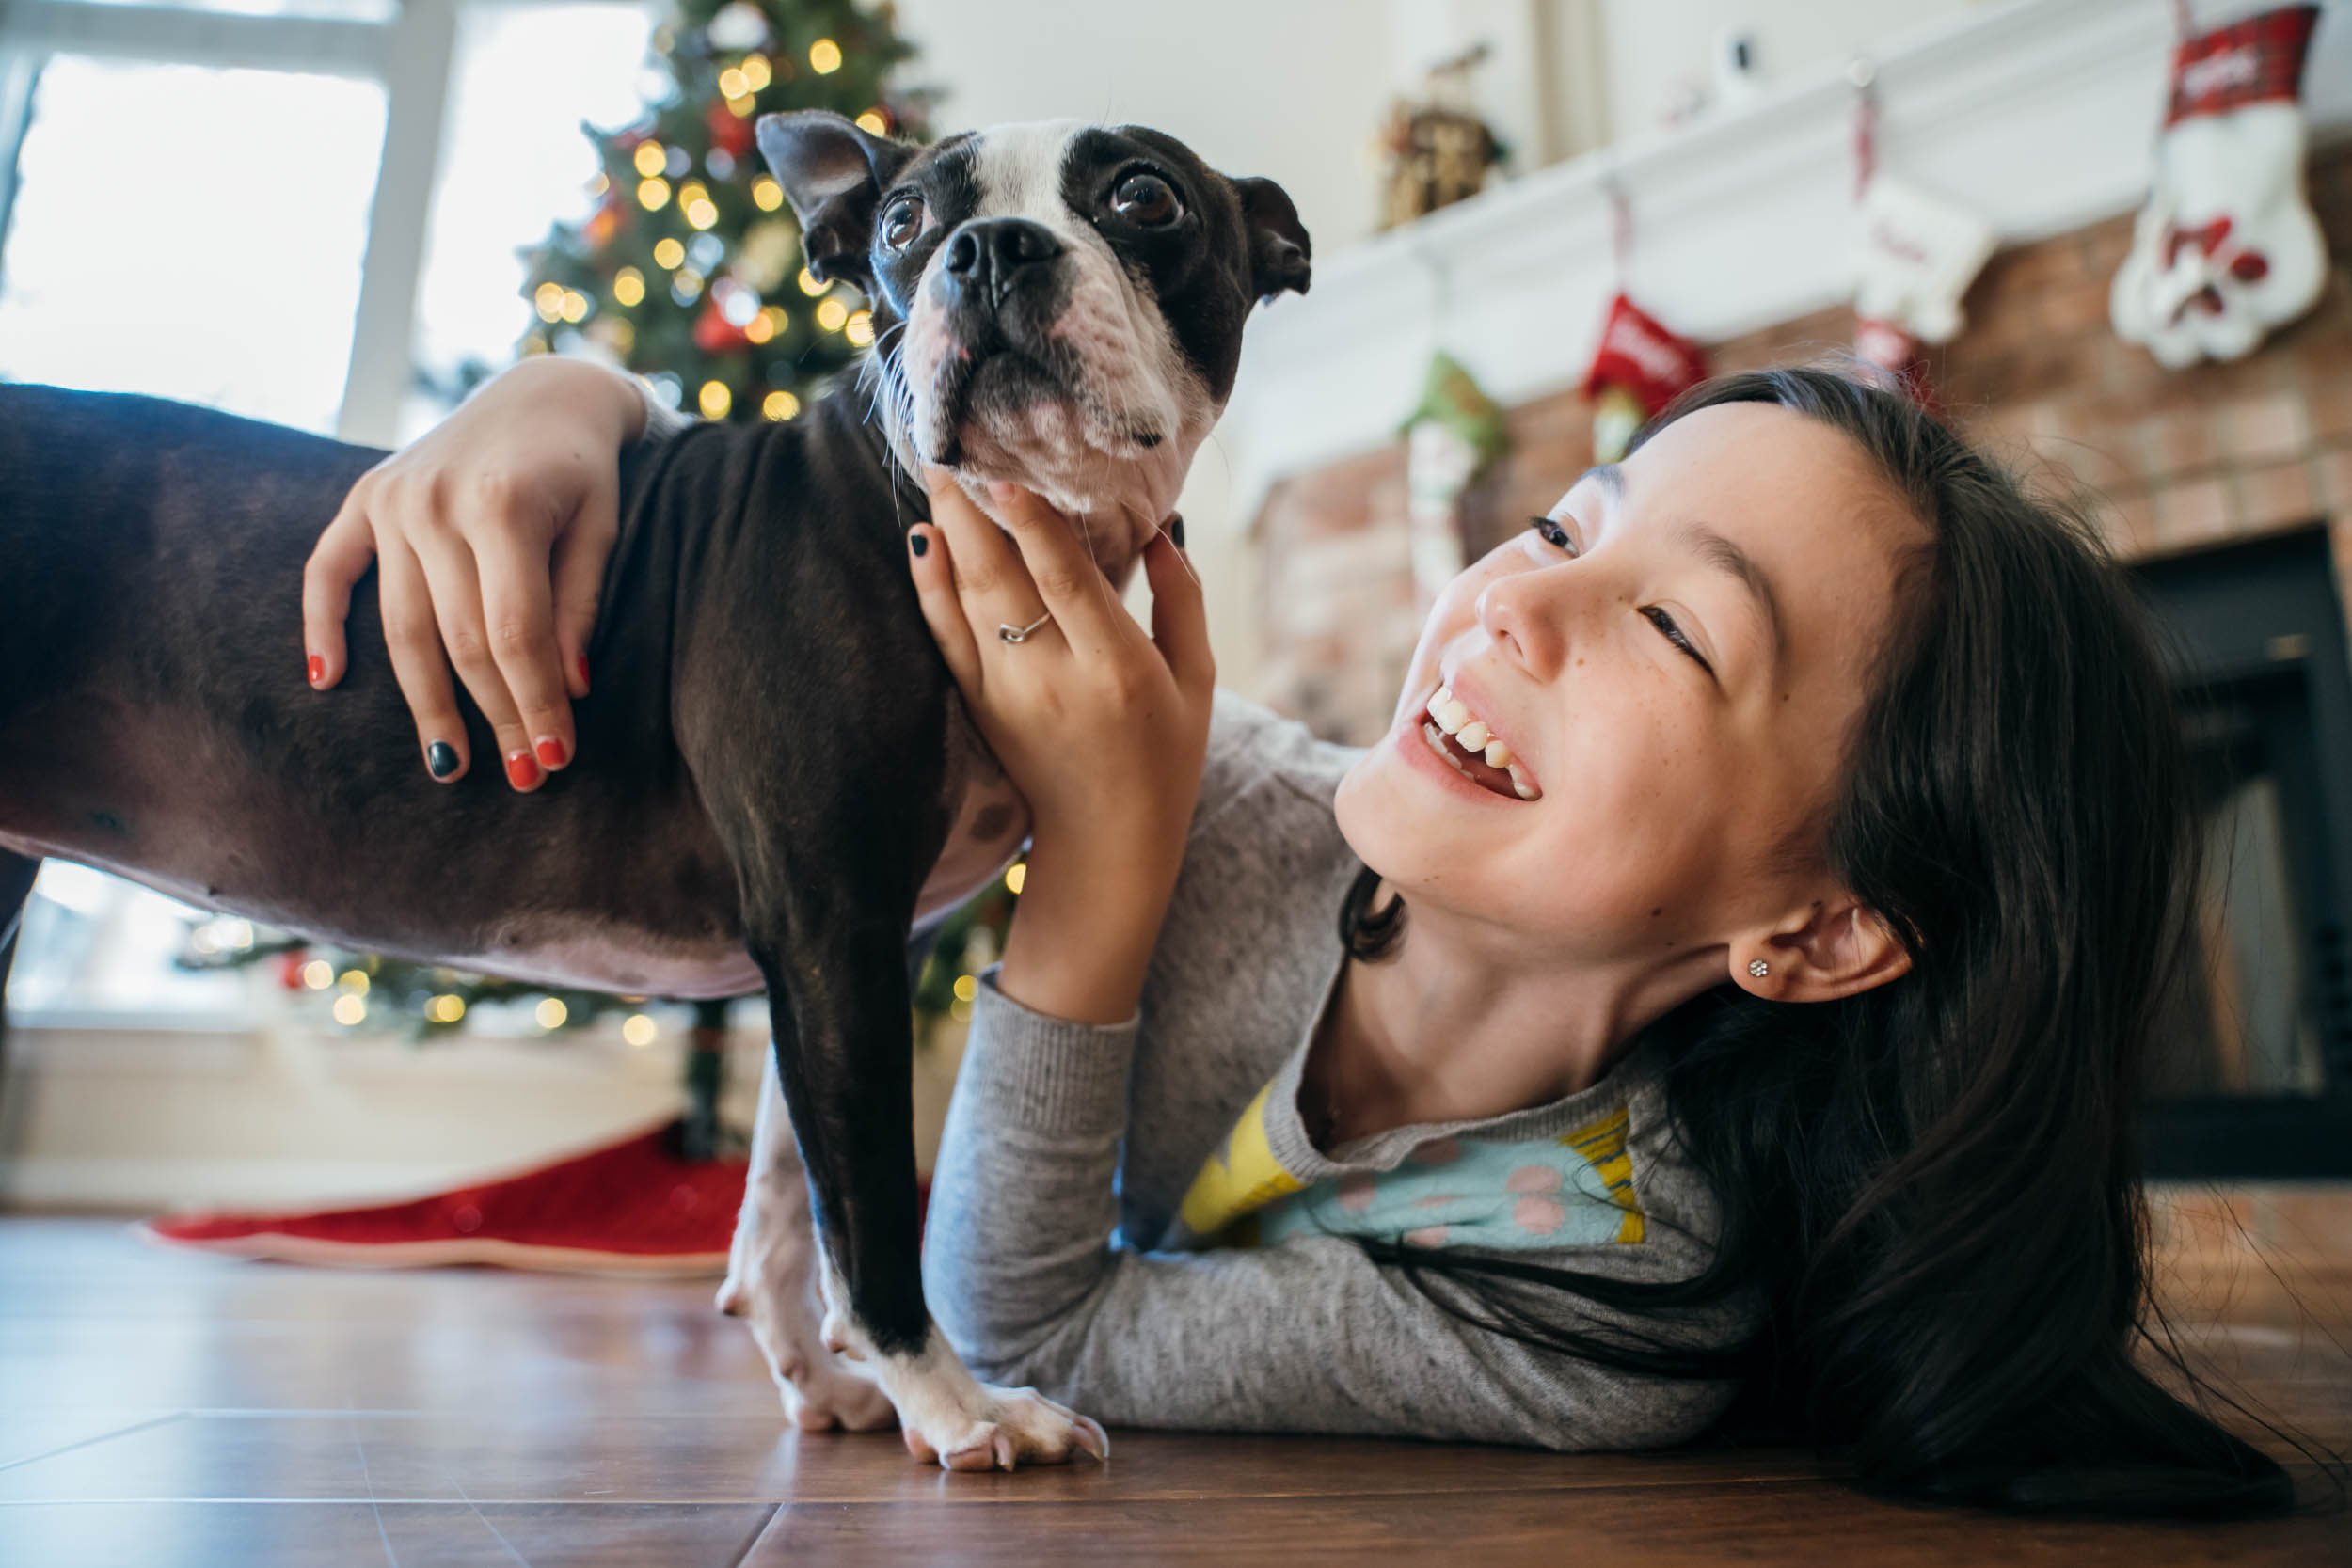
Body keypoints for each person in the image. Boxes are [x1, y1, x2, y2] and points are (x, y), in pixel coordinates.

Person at [302, 355, 2318, 1516]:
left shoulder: (1616, 1291)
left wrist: (1098, 858)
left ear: (1819, 929)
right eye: (1560, 526)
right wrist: (586, 402)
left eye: (1674, 626)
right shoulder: (1237, 794)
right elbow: (836, 516)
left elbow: (1021, 1338)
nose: (1505, 608)